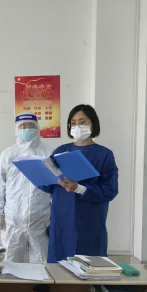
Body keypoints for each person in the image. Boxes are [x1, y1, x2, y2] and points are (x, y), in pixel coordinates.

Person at [39, 104, 118, 263]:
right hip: (62, 217)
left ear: (93, 124)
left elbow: (109, 190)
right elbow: (52, 184)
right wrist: (39, 176)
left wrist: (79, 188)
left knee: (88, 263)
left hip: (88, 217)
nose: (77, 126)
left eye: (82, 122)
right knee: (59, 263)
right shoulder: (61, 151)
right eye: (73, 123)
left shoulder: (104, 154)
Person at [0, 114, 53, 263]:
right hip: (13, 221)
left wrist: (55, 215)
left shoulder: (48, 153)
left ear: (37, 128)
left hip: (41, 220)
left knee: (42, 264)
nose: (27, 129)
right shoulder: (8, 154)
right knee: (10, 263)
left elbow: (56, 186)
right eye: (22, 127)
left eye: (31, 126)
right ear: (16, 130)